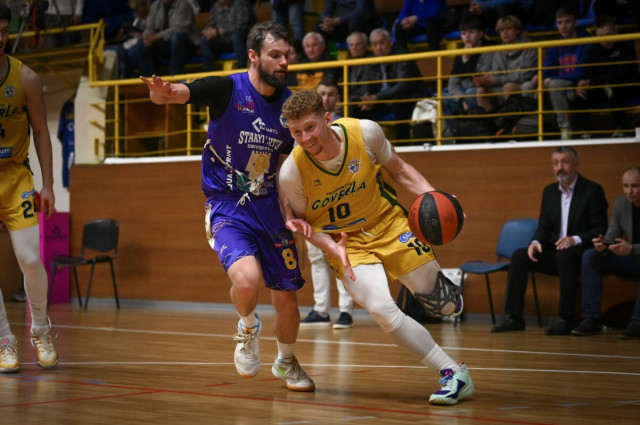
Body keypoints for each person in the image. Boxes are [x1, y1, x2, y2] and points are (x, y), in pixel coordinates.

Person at [140, 21, 314, 392]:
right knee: (247, 280)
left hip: (270, 205)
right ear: (253, 56)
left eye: (287, 55)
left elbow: (285, 162)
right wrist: (161, 94)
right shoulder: (227, 89)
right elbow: (177, 93)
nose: (284, 62)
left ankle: (286, 361)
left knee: (287, 296)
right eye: (275, 55)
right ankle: (248, 326)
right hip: (228, 203)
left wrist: (289, 209)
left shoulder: (289, 106)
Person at [279, 89, 473, 405]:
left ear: (327, 118)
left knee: (445, 306)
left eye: (310, 127)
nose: (305, 138)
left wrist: (437, 198)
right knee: (383, 310)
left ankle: (446, 297)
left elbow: (400, 170)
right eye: (296, 132)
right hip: (345, 243)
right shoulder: (292, 171)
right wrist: (331, 247)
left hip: (389, 224)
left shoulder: (365, 132)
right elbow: (308, 226)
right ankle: (453, 373)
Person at [491, 146, 608, 335]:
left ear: (576, 164)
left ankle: (566, 318)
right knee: (520, 256)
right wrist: (535, 243)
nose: (560, 167)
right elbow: (544, 226)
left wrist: (574, 239)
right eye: (555, 163)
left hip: (581, 252)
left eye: (565, 162)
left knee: (565, 255)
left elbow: (600, 228)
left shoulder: (592, 190)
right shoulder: (550, 192)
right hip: (557, 252)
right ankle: (513, 318)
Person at [0, 3, 59, 374]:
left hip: (15, 176)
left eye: (4, 30)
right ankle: (4, 341)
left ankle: (40, 330)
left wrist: (48, 183)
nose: (0, 37)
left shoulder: (26, 77)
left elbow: (40, 130)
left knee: (30, 258)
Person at [300, 79, 354, 329]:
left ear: (337, 99)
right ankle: (321, 310)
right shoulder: (304, 130)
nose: (326, 98)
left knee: (341, 256)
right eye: (322, 93)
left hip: (340, 201)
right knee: (317, 258)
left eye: (331, 94)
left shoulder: (343, 127)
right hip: (314, 203)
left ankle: (346, 311)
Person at [572, 166, 640, 339]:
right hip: (631, 259)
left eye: (635, 186)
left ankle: (637, 322)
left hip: (634, 253)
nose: (629, 191)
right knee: (591, 256)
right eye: (625, 186)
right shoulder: (621, 203)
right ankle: (591, 319)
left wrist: (632, 248)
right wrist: (604, 243)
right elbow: (613, 234)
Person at [521, 7, 591, 139]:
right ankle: (532, 127)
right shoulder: (556, 44)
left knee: (554, 84)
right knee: (527, 85)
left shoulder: (586, 41)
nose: (563, 26)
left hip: (576, 82)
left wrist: (550, 79)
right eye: (559, 23)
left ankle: (565, 127)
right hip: (558, 80)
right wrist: (540, 78)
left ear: (575, 23)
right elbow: (548, 68)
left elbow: (580, 72)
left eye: (567, 22)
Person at [357, 28, 431, 140]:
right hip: (382, 100)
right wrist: (366, 97)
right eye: (374, 44)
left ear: (390, 42)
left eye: (382, 43)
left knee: (399, 101)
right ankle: (364, 144)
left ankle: (403, 143)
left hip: (409, 98)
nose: (378, 48)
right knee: (356, 106)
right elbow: (366, 81)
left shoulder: (402, 56)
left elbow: (403, 86)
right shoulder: (371, 60)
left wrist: (377, 97)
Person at [573, 15, 639, 137]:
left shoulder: (626, 44)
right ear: (597, 37)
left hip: (627, 86)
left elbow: (625, 72)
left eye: (609, 35)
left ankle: (620, 129)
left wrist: (594, 82)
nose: (606, 40)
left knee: (613, 86)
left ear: (616, 31)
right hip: (602, 86)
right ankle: (586, 132)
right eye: (602, 37)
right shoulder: (594, 49)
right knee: (580, 93)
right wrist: (582, 81)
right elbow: (588, 69)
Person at [442, 16, 493, 140]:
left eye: (471, 32)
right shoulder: (461, 55)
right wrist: (460, 99)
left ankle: (477, 134)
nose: (467, 37)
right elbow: (453, 84)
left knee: (471, 92)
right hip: (463, 95)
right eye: (464, 33)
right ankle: (454, 136)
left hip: (483, 90)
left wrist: (466, 60)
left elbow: (478, 80)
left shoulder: (489, 51)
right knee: (440, 98)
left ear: (481, 34)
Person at [473, 15, 537, 112]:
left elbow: (524, 75)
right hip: (501, 85)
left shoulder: (530, 48)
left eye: (508, 29)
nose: (505, 33)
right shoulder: (499, 50)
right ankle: (490, 120)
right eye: (501, 30)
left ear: (517, 31)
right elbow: (496, 72)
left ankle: (510, 120)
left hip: (524, 84)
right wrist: (485, 79)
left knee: (509, 86)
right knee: (481, 91)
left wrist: (497, 80)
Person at [129, 0, 200, 76]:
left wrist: (157, 36)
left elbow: (181, 29)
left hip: (186, 44)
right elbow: (149, 27)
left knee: (176, 38)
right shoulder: (155, 6)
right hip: (165, 44)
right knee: (142, 44)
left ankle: (175, 76)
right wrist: (147, 37)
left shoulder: (183, 4)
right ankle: (150, 78)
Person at [198, 0, 255, 71]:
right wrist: (208, 31)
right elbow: (211, 24)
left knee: (236, 36)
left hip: (242, 41)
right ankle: (208, 72)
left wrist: (220, 31)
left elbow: (241, 26)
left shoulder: (242, 3)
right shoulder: (216, 6)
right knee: (204, 40)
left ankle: (241, 69)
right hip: (223, 42)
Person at [315, 0, 381, 44]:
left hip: (362, 23)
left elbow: (362, 10)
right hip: (339, 26)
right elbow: (326, 12)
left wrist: (339, 20)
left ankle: (357, 52)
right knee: (319, 26)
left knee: (355, 21)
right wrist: (327, 21)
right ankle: (322, 58)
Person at [345, 31, 372, 113]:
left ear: (366, 46)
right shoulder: (347, 63)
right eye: (351, 45)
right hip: (352, 99)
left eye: (358, 44)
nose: (354, 47)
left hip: (364, 99)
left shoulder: (371, 60)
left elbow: (367, 85)